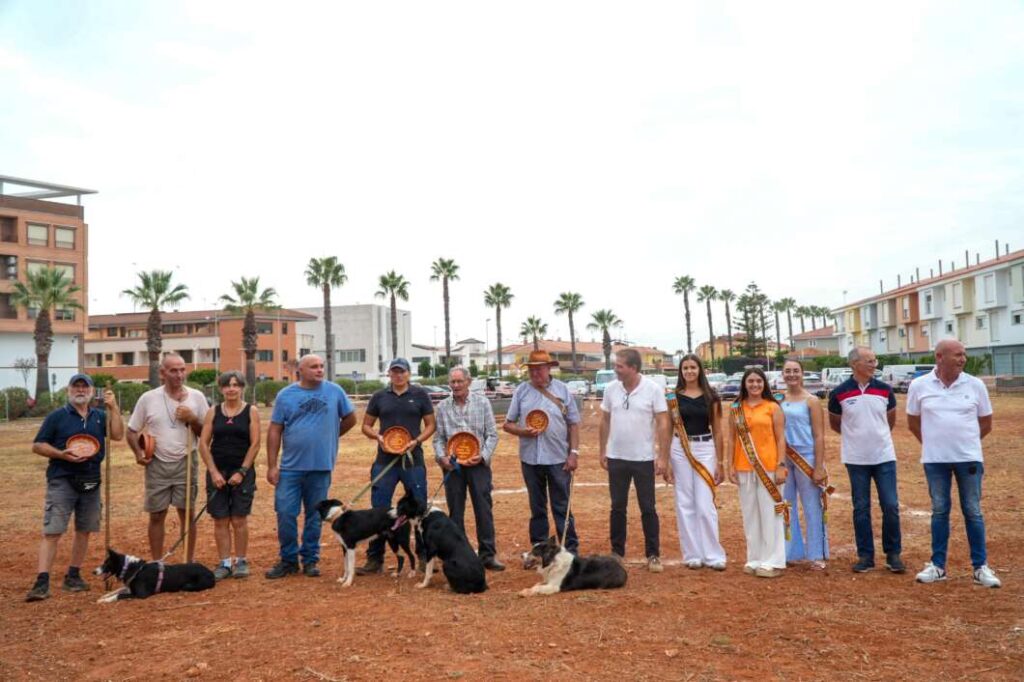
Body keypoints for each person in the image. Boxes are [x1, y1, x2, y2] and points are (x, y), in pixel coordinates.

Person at [907, 339, 1000, 588]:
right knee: (939, 511)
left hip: (969, 460)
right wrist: (934, 444)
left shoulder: (976, 385)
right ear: (940, 357)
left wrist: (966, 444)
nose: (963, 359)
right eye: (958, 354)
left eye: (964, 355)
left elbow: (986, 423)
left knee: (973, 511)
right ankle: (938, 566)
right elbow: (913, 422)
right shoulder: (919, 385)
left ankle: (980, 568)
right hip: (935, 461)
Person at [25, 374, 124, 602]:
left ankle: (74, 575)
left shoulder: (100, 416)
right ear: (69, 390)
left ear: (91, 391)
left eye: (84, 386)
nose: (80, 390)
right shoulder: (57, 417)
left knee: (84, 529)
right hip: (62, 479)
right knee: (53, 530)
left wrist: (114, 407)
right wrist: (61, 455)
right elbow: (38, 445)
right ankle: (42, 581)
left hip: (91, 479)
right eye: (76, 386)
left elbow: (117, 434)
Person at [265, 354, 356, 578]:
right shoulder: (286, 395)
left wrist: (332, 436)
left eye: (321, 366)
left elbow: (351, 418)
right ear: (301, 371)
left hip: (321, 467)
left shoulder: (335, 391)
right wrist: (271, 465)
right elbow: (275, 430)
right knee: (285, 513)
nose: (319, 370)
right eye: (314, 367)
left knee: (315, 516)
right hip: (290, 468)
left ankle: (310, 560)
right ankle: (288, 560)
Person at [828, 347, 904, 574]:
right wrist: (857, 439)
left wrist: (875, 438)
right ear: (854, 364)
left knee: (890, 505)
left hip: (884, 456)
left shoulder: (885, 390)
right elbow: (835, 423)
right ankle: (865, 556)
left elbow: (889, 421)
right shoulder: (839, 393)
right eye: (869, 361)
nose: (874, 364)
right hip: (855, 459)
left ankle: (893, 554)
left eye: (874, 360)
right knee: (861, 508)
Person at [357, 357, 436, 575]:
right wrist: (378, 437)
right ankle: (375, 559)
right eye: (394, 372)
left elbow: (431, 424)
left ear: (408, 373)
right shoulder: (379, 396)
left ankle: (423, 556)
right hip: (385, 461)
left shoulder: (420, 395)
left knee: (420, 509)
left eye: (402, 371)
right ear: (389, 374)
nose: (398, 375)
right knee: (379, 509)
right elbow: (366, 425)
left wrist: (417, 441)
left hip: (413, 461)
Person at [127, 353, 208, 562]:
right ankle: (156, 563)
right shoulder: (148, 398)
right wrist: (138, 454)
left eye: (182, 369)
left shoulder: (196, 397)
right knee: (156, 514)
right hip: (157, 463)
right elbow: (132, 431)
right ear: (162, 373)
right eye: (173, 370)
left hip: (186, 460)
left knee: (187, 513)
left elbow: (207, 434)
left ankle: (187, 562)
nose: (179, 375)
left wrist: (192, 419)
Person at [503, 350, 581, 555]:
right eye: (531, 369)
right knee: (537, 508)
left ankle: (570, 550)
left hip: (558, 458)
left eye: (539, 369)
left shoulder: (563, 390)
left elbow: (573, 424)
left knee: (562, 507)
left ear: (548, 368)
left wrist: (573, 453)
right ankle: (539, 550)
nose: (535, 373)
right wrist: (523, 432)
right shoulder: (521, 391)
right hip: (530, 459)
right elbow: (507, 424)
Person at [599, 348, 670, 572]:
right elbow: (605, 420)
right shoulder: (611, 389)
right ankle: (617, 553)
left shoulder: (653, 389)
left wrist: (663, 457)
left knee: (648, 507)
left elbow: (663, 423)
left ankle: (653, 555)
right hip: (616, 457)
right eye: (616, 365)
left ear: (633, 368)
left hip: (643, 459)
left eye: (620, 366)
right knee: (617, 507)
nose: (615, 369)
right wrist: (603, 450)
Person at [431, 365, 503, 571]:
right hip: (453, 467)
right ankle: (458, 553)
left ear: (468, 382)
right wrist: (441, 457)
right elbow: (438, 439)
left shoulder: (482, 403)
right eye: (452, 382)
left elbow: (492, 434)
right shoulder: (443, 406)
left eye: (459, 381)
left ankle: (488, 555)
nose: (456, 385)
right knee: (455, 512)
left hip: (478, 465)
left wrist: (483, 455)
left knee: (483, 510)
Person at [724, 368, 788, 578]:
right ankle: (755, 557)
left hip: (769, 467)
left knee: (770, 514)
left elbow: (780, 438)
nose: (754, 385)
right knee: (750, 515)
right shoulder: (736, 408)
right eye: (750, 381)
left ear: (764, 384)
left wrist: (781, 464)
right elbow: (732, 439)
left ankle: (773, 560)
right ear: (744, 384)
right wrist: (730, 465)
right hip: (744, 467)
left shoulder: (772, 407)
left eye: (758, 381)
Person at [198, 371, 261, 580]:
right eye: (227, 385)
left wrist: (242, 471)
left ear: (242, 388)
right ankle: (224, 563)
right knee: (220, 519)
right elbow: (203, 444)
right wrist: (214, 472)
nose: (231, 389)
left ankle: (241, 561)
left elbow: (255, 444)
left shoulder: (251, 411)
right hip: (218, 472)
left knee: (239, 519)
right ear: (221, 389)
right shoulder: (213, 412)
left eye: (235, 385)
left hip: (242, 472)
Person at [668, 354, 727, 571]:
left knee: (705, 504)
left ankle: (713, 554)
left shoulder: (711, 397)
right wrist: (664, 458)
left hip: (705, 448)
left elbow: (719, 431)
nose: (689, 371)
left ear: (700, 370)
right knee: (685, 502)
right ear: (680, 371)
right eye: (685, 368)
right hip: (680, 449)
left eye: (693, 367)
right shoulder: (673, 397)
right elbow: (666, 428)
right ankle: (692, 554)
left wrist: (720, 462)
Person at [780, 360, 829, 569]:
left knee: (811, 507)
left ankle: (816, 553)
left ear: (802, 374)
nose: (792, 375)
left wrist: (818, 466)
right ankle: (790, 552)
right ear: (782, 374)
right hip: (784, 458)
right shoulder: (778, 399)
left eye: (796, 371)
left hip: (806, 457)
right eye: (788, 371)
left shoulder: (812, 401)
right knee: (787, 506)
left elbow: (819, 435)